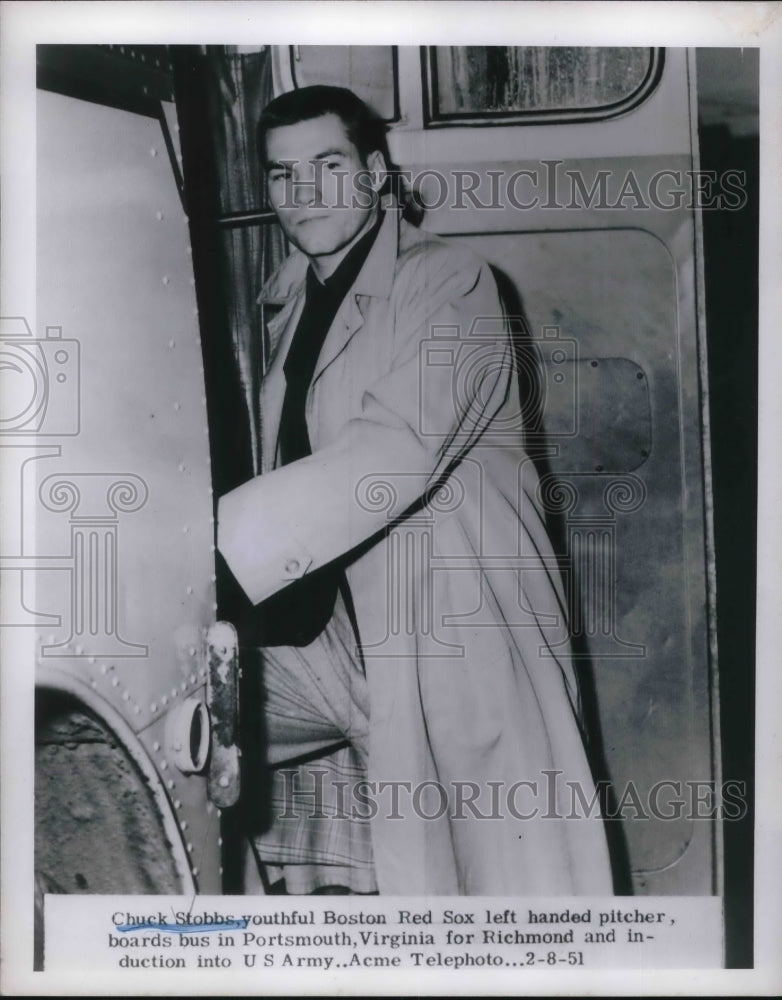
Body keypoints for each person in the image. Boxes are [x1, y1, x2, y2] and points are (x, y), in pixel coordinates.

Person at [217, 85, 613, 895]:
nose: (305, 193)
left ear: (372, 173)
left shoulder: (452, 283)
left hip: (450, 618)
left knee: (505, 888)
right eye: (283, 175)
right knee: (185, 715)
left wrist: (218, 553)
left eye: (328, 166)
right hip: (341, 632)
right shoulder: (291, 302)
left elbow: (392, 452)